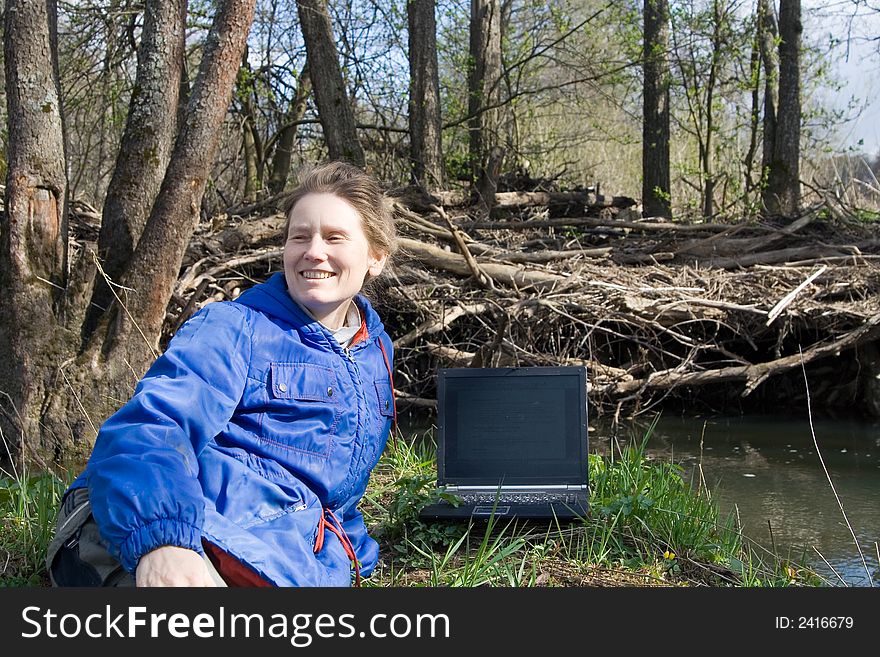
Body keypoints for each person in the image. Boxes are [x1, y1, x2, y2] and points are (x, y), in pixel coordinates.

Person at [47, 161, 398, 587]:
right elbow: (150, 430)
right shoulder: (233, 327)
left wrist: (349, 555)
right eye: (299, 237)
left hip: (267, 545)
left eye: (335, 237)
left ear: (375, 257)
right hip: (134, 524)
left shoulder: (374, 349)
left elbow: (335, 493)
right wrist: (164, 544)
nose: (313, 251)